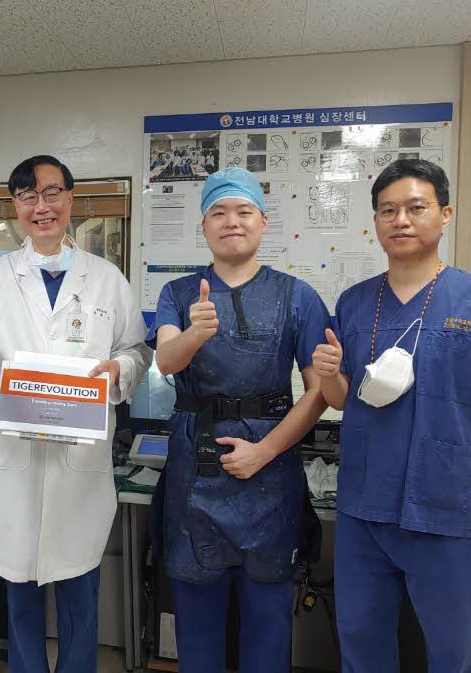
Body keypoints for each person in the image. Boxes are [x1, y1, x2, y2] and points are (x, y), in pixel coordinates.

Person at [312, 159, 471, 673]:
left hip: (452, 512)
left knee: (455, 652)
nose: (400, 220)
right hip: (365, 509)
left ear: (445, 215)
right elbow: (343, 399)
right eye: (387, 210)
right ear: (376, 221)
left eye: (415, 207)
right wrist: (328, 375)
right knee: (361, 645)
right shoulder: (354, 303)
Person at [0, 155, 152, 672]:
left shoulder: (107, 279)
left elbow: (136, 349)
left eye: (52, 193)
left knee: (80, 585)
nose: (42, 206)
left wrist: (120, 369)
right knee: (19, 587)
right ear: (15, 206)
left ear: (70, 199)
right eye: (28, 196)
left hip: (78, 463)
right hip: (14, 462)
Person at [147, 167, 330, 673]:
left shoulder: (298, 296)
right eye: (219, 212)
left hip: (271, 475)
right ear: (204, 226)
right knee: (197, 627)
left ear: (263, 222)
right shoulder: (178, 293)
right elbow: (166, 361)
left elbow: (319, 392)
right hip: (196, 471)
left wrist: (264, 451)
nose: (232, 221)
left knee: (268, 626)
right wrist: (194, 334)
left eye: (244, 211)